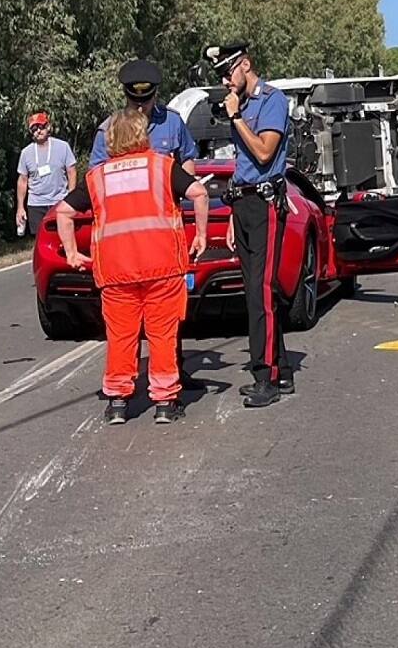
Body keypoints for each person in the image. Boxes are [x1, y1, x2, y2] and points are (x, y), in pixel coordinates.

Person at [55, 106, 209, 426]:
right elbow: (199, 192)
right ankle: (165, 402)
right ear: (142, 133)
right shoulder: (162, 166)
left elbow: (64, 213)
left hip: (115, 270)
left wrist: (71, 252)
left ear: (111, 138)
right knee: (162, 335)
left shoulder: (96, 177)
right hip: (162, 265)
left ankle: (117, 401)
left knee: (121, 336)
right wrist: (202, 236)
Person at [208, 41, 295, 408]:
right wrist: (231, 214)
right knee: (253, 292)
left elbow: (263, 152)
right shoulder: (240, 105)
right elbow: (241, 166)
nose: (227, 81)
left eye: (229, 73)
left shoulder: (272, 101)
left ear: (246, 65)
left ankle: (267, 377)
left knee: (262, 291)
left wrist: (236, 118)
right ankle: (283, 367)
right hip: (243, 202)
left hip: (265, 204)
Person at [88, 59, 199, 175]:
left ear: (154, 94)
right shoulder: (108, 130)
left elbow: (187, 160)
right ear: (126, 94)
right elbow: (96, 174)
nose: (140, 108)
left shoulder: (172, 122)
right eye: (135, 102)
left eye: (145, 102)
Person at [15, 112, 77, 238]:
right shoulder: (26, 153)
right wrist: (20, 207)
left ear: (48, 127)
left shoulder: (63, 147)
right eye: (34, 128)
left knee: (64, 238)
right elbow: (22, 181)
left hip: (60, 201)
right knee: (41, 241)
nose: (38, 131)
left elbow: (72, 172)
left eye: (41, 126)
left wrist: (72, 198)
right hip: (36, 204)